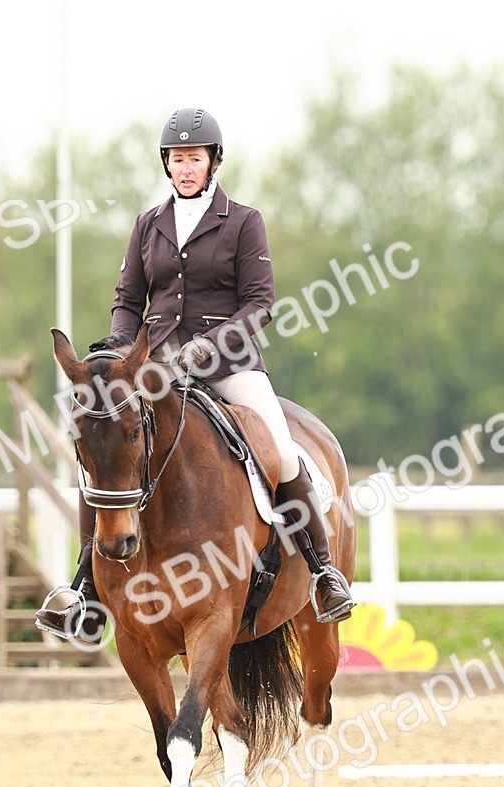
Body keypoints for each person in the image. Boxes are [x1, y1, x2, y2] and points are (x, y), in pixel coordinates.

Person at [36, 106, 354, 640]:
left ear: (213, 162)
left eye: (195, 159)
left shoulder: (243, 221)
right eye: (178, 159)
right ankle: (84, 590)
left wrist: (210, 346)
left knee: (279, 448)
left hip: (230, 364)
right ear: (168, 164)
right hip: (157, 365)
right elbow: (127, 300)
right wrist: (117, 347)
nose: (187, 168)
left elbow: (260, 302)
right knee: (109, 447)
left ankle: (323, 573)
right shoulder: (148, 225)